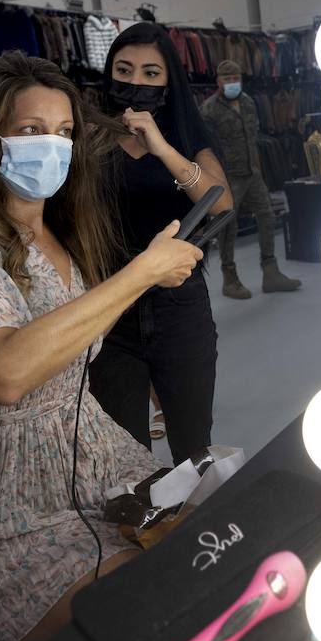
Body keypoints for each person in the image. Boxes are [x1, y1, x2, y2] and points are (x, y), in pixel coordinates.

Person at [0, 52, 203, 641]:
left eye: (65, 132)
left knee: (203, 545)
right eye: (31, 131)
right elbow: (5, 372)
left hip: (92, 459)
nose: (53, 146)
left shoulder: (66, 235)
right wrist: (143, 273)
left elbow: (77, 339)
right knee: (142, 607)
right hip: (6, 498)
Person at [87, 23, 233, 464]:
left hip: (178, 307)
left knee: (193, 446)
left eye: (152, 73)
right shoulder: (89, 135)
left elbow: (221, 204)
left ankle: (197, 533)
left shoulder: (185, 133)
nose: (136, 82)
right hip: (110, 309)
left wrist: (162, 148)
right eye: (124, 69)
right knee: (124, 454)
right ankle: (139, 533)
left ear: (169, 79)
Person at [199, 59, 302, 300]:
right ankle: (230, 278)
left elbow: (253, 137)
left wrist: (258, 168)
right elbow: (206, 148)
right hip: (228, 176)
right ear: (218, 81)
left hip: (252, 172)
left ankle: (271, 273)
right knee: (228, 226)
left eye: (235, 79)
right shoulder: (208, 109)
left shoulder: (247, 102)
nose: (232, 83)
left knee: (267, 217)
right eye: (227, 79)